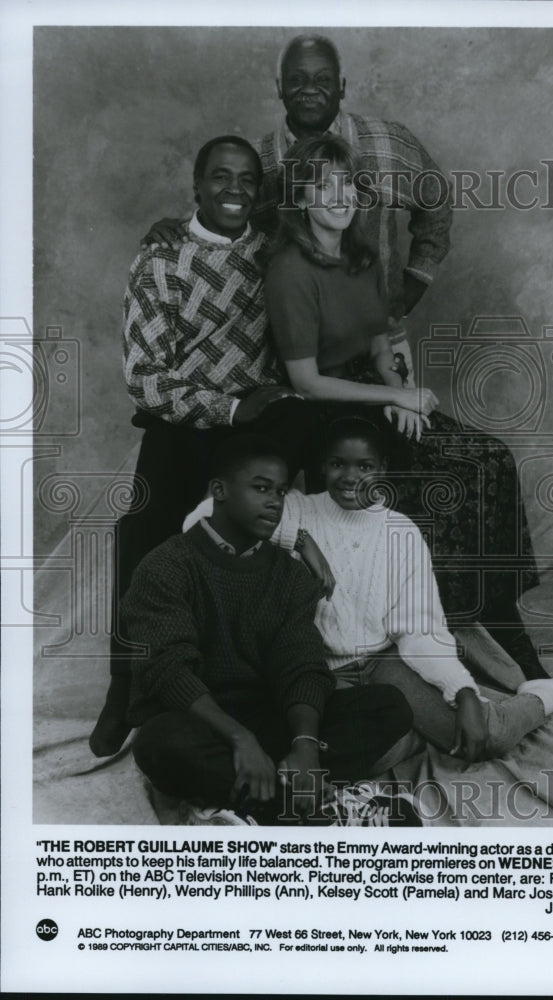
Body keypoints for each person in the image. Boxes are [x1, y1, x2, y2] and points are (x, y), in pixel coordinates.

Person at [263, 134, 549, 682]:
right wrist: (394, 395)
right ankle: (458, 627)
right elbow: (306, 381)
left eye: (346, 183)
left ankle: (498, 613)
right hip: (326, 410)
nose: (339, 196)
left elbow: (380, 345)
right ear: (300, 197)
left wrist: (402, 393)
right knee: (443, 481)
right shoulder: (289, 269)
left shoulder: (363, 256)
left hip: (376, 389)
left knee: (491, 458)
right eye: (322, 185)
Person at [185, 417, 553, 764]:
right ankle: (413, 733)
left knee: (489, 737)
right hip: (316, 675)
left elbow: (420, 630)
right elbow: (200, 518)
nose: (350, 477)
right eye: (337, 464)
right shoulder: (296, 508)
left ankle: (545, 698)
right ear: (322, 466)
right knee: (323, 754)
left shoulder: (401, 532)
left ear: (383, 469)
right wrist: (299, 539)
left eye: (364, 466)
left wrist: (463, 693)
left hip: (384, 663)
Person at [89, 135, 315, 758]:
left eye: (247, 179)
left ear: (259, 191)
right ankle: (127, 682)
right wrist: (228, 408)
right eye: (220, 176)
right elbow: (145, 379)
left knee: (296, 436)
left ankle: (250, 680)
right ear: (196, 185)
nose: (234, 189)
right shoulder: (160, 259)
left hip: (255, 424)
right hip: (184, 418)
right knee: (142, 530)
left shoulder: (274, 254)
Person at [123, 432, 419, 826]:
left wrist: (306, 746)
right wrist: (240, 739)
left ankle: (265, 800)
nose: (275, 502)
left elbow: (301, 665)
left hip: (267, 720)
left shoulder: (290, 575)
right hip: (198, 721)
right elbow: (168, 671)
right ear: (219, 491)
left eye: (280, 492)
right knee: (158, 743)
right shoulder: (166, 566)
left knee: (388, 707)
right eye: (261, 488)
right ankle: (318, 808)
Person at [141, 33, 452, 369]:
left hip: (381, 343)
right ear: (280, 87)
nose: (309, 90)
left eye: (323, 80)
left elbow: (438, 202)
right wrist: (181, 229)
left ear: (342, 86)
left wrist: (413, 283)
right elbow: (222, 221)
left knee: (396, 401)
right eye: (296, 80)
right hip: (285, 352)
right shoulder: (256, 161)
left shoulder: (388, 142)